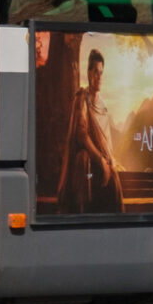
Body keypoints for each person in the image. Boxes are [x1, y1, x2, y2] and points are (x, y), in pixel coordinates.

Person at [57, 48, 123, 213]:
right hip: (88, 161)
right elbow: (82, 135)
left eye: (101, 73)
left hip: (101, 160)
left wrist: (110, 162)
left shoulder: (103, 106)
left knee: (114, 177)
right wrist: (100, 161)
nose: (99, 77)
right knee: (83, 158)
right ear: (88, 72)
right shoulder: (82, 98)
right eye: (95, 72)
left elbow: (107, 142)